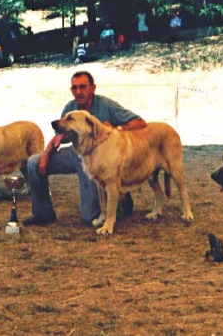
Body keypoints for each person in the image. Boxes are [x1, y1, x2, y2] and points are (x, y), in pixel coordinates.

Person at [24, 71, 147, 226]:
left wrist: (117, 128)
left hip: (98, 159)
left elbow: (140, 123)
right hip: (75, 154)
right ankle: (43, 213)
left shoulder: (106, 105)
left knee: (90, 217)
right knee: (33, 162)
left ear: (92, 88)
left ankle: (122, 201)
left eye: (83, 87)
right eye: (74, 88)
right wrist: (46, 156)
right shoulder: (70, 108)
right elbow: (58, 137)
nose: (78, 92)